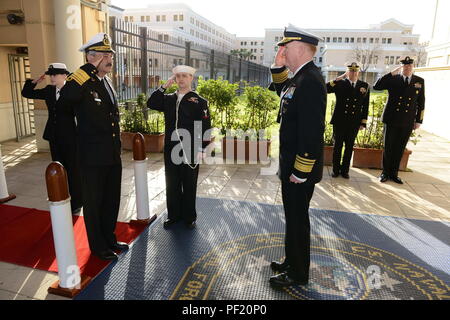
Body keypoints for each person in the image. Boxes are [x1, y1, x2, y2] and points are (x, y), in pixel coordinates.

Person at [60, 33, 128, 261]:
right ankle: (98, 247)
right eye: (104, 55)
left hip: (111, 153)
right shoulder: (80, 82)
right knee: (94, 202)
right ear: (91, 57)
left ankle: (109, 239)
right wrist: (86, 69)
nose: (110, 59)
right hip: (91, 155)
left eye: (110, 54)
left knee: (111, 199)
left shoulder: (105, 81)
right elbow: (65, 100)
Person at [268, 25, 326, 288]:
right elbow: (281, 92)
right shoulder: (300, 77)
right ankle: (292, 261)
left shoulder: (311, 80)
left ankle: (298, 273)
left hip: (299, 167)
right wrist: (278, 65)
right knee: (292, 217)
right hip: (291, 164)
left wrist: (301, 170)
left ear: (301, 49)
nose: (281, 50)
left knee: (298, 220)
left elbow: (313, 131)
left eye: (285, 47)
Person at [147, 65, 211, 230]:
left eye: (185, 76)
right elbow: (151, 103)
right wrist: (163, 87)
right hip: (171, 147)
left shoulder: (199, 101)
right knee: (172, 182)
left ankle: (189, 216)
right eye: (178, 76)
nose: (181, 79)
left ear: (191, 78)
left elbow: (204, 126)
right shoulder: (168, 99)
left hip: (190, 147)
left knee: (189, 182)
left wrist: (202, 149)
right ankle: (174, 215)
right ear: (174, 79)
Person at [21, 63, 82, 214]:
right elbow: (27, 93)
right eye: (50, 75)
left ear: (64, 75)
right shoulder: (49, 90)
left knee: (72, 170)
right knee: (57, 168)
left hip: (70, 137)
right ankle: (62, 198)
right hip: (54, 135)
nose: (52, 77)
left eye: (55, 74)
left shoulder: (72, 91)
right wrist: (33, 82)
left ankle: (76, 203)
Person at [373, 56, 425, 184]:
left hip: (407, 120)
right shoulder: (393, 79)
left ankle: (394, 174)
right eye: (405, 66)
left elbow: (421, 101)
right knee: (389, 147)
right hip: (392, 119)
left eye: (409, 66)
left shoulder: (419, 81)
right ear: (401, 67)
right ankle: (385, 173)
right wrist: (390, 73)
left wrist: (419, 120)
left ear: (413, 67)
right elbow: (376, 86)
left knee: (400, 148)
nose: (407, 68)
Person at [326, 62, 369, 179]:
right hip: (340, 120)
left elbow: (365, 106)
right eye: (351, 70)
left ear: (358, 72)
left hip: (354, 122)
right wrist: (337, 79)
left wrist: (363, 122)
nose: (353, 73)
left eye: (355, 71)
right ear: (347, 72)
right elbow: (325, 88)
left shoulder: (364, 85)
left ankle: (345, 170)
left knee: (349, 147)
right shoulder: (340, 83)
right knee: (338, 146)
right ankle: (335, 170)